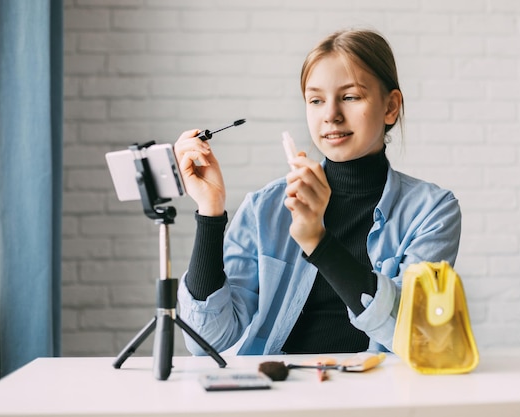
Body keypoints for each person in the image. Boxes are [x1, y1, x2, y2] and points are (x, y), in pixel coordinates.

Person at [173, 28, 461, 356]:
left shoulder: (433, 211)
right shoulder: (264, 208)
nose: (330, 115)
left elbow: (415, 335)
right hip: (283, 395)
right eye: (316, 100)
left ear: (390, 107)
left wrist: (318, 242)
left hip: (379, 398)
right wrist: (210, 210)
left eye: (350, 96)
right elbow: (205, 339)